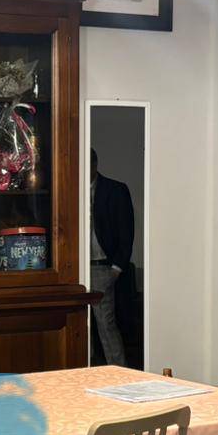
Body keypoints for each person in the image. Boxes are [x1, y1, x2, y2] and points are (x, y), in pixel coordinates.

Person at [89, 148, 136, 366]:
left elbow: (126, 231)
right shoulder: (72, 190)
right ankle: (85, 369)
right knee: (80, 324)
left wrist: (117, 268)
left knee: (105, 323)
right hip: (76, 266)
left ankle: (119, 371)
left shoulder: (115, 190)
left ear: (94, 165)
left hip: (102, 266)